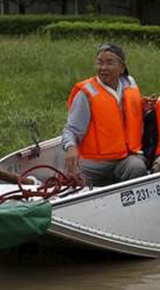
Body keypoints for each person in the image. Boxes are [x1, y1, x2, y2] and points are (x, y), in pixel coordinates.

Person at [62, 43, 148, 187]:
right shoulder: (87, 93)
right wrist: (71, 147)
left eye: (109, 63)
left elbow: (132, 115)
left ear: (122, 68)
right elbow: (70, 130)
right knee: (72, 184)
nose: (103, 68)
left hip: (124, 160)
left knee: (137, 167)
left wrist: (144, 107)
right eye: (100, 62)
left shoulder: (130, 85)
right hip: (92, 165)